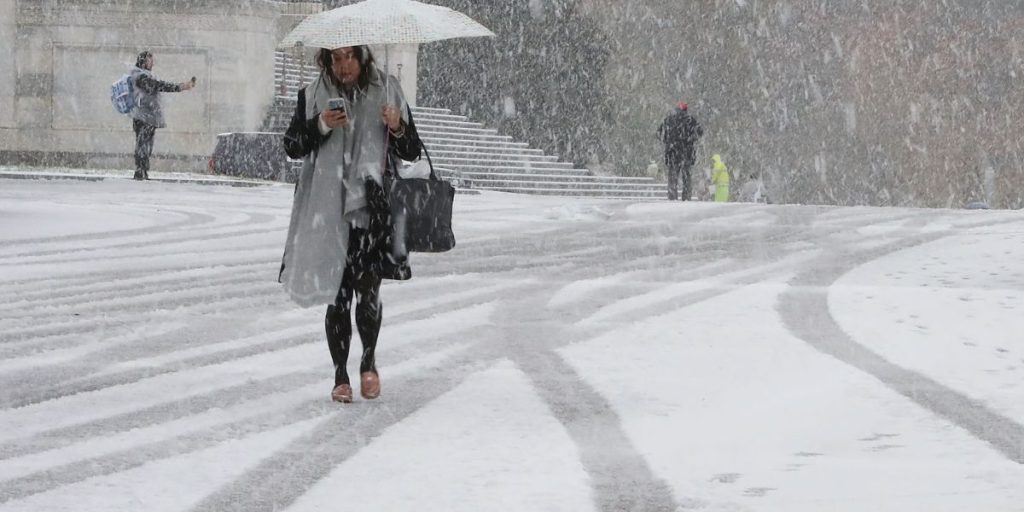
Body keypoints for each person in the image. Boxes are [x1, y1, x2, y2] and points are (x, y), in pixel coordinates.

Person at [279, 45, 422, 404]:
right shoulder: (312, 95)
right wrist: (322, 124)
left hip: (370, 209)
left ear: (363, 58)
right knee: (337, 294)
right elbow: (292, 146)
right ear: (327, 61)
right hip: (326, 210)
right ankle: (340, 375)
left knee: (368, 291)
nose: (343, 66)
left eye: (349, 57)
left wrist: (397, 126)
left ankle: (368, 362)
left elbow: (412, 151)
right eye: (336, 58)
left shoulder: (388, 91)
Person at [129, 51, 195, 180]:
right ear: (143, 62)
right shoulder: (140, 76)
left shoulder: (144, 75)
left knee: (146, 144)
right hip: (143, 117)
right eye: (150, 60)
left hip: (148, 117)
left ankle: (142, 171)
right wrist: (181, 87)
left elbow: (157, 86)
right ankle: (140, 171)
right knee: (143, 144)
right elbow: (158, 86)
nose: (153, 63)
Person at [656, 101, 703, 200]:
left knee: (673, 175)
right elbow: (700, 133)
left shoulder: (669, 120)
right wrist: (690, 140)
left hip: (672, 152)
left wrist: (667, 141)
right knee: (686, 176)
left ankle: (672, 197)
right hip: (687, 152)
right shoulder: (691, 120)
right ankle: (686, 197)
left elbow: (659, 133)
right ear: (686, 110)